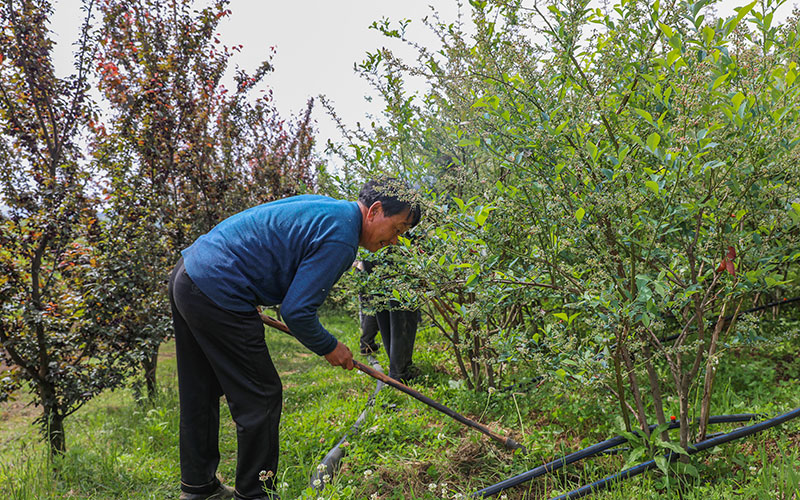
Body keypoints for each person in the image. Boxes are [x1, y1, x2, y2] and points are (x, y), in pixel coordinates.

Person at [168, 179, 421, 500]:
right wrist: (331, 347)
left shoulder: (331, 209)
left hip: (189, 272)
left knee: (199, 389)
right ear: (375, 211)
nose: (396, 241)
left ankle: (198, 489)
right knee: (260, 395)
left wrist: (250, 280)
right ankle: (254, 494)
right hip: (216, 285)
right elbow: (297, 312)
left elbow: (270, 233)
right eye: (397, 229)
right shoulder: (343, 238)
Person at [356, 258, 420, 383]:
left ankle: (398, 368)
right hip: (393, 256)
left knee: (382, 305)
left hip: (374, 255)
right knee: (401, 311)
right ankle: (399, 372)